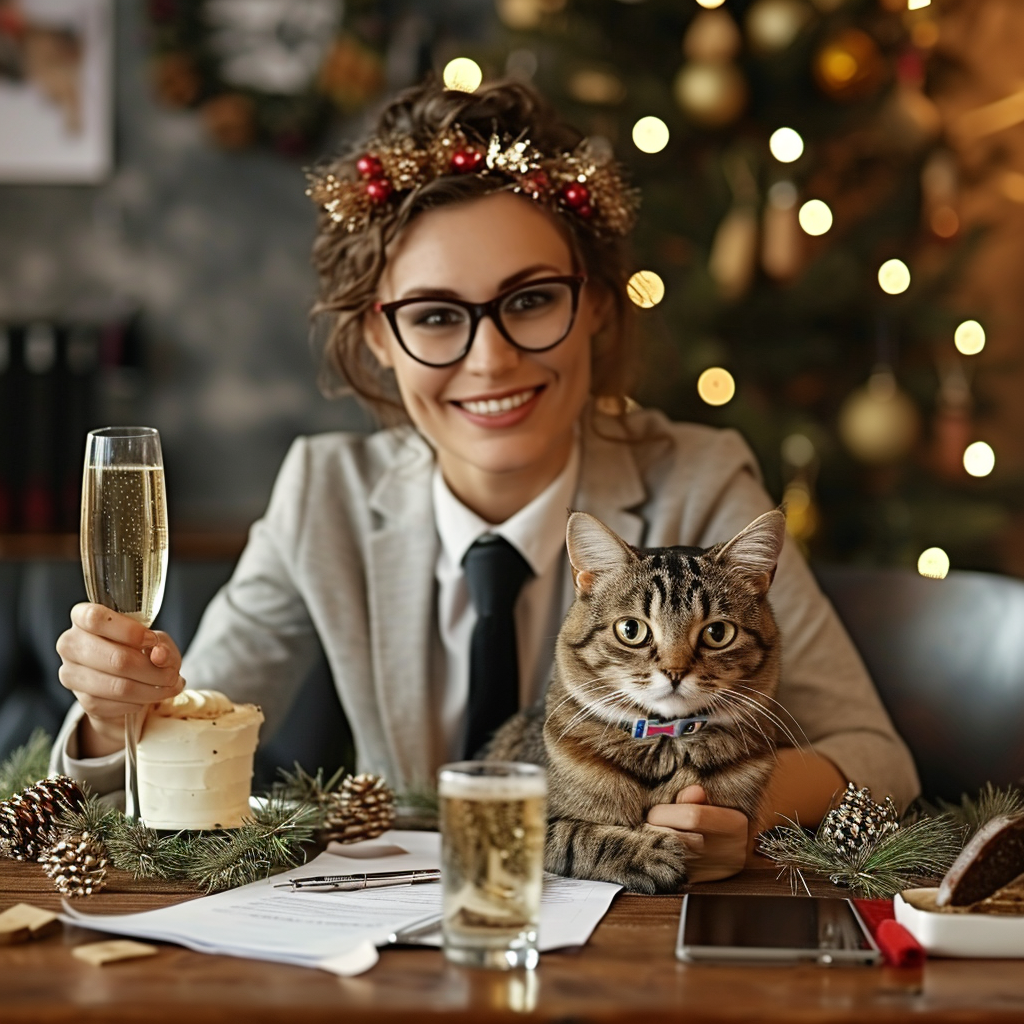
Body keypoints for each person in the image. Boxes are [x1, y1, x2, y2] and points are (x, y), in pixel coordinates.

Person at [51, 77, 919, 883]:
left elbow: (879, 761)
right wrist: (111, 712)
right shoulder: (325, 494)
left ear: (598, 307)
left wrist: (738, 811)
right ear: (379, 339)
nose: (491, 357)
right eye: (435, 316)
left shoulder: (699, 478)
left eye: (532, 299)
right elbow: (181, 747)